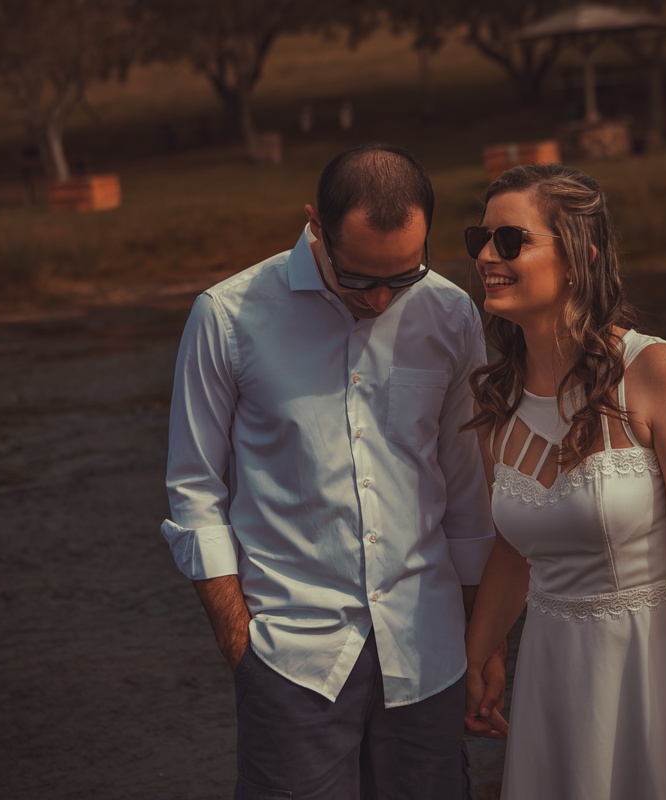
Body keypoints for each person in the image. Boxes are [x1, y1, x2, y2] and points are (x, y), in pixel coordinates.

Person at [161, 143, 502, 800]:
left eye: (400, 277)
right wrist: (242, 645)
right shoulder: (227, 318)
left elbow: (466, 490)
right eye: (358, 279)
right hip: (291, 661)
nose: (379, 300)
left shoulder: (451, 312)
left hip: (428, 652)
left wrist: (481, 642)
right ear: (316, 226)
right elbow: (195, 493)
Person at [461, 164, 666, 798]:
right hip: (555, 679)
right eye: (480, 239)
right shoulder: (497, 401)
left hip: (657, 672)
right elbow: (514, 551)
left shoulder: (658, 373)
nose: (487, 256)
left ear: (578, 256)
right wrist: (477, 657)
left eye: (511, 240)